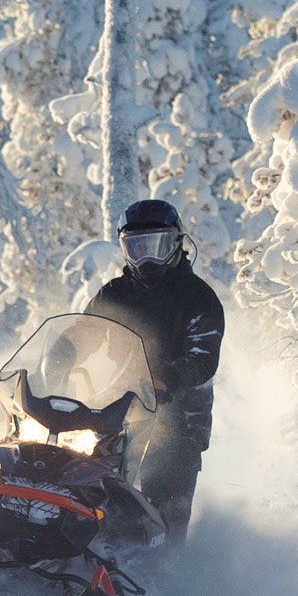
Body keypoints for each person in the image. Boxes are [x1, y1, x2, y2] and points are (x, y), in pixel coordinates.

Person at [82, 199, 222, 546]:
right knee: (87, 485)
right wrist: (53, 363)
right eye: (136, 247)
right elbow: (82, 333)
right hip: (116, 414)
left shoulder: (198, 298)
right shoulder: (115, 294)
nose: (146, 258)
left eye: (155, 246)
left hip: (179, 420)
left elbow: (203, 357)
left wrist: (167, 379)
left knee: (166, 510)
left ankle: (164, 585)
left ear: (175, 243)